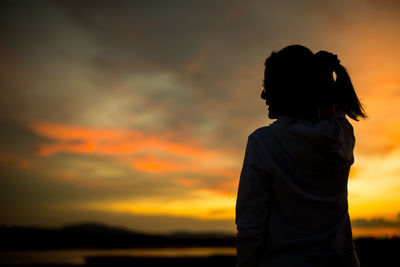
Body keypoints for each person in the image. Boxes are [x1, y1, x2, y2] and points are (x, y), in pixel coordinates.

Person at [235, 45, 366, 267]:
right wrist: (323, 74)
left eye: (268, 85)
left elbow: (250, 224)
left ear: (288, 89)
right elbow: (337, 111)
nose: (263, 94)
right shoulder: (341, 137)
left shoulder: (262, 142)